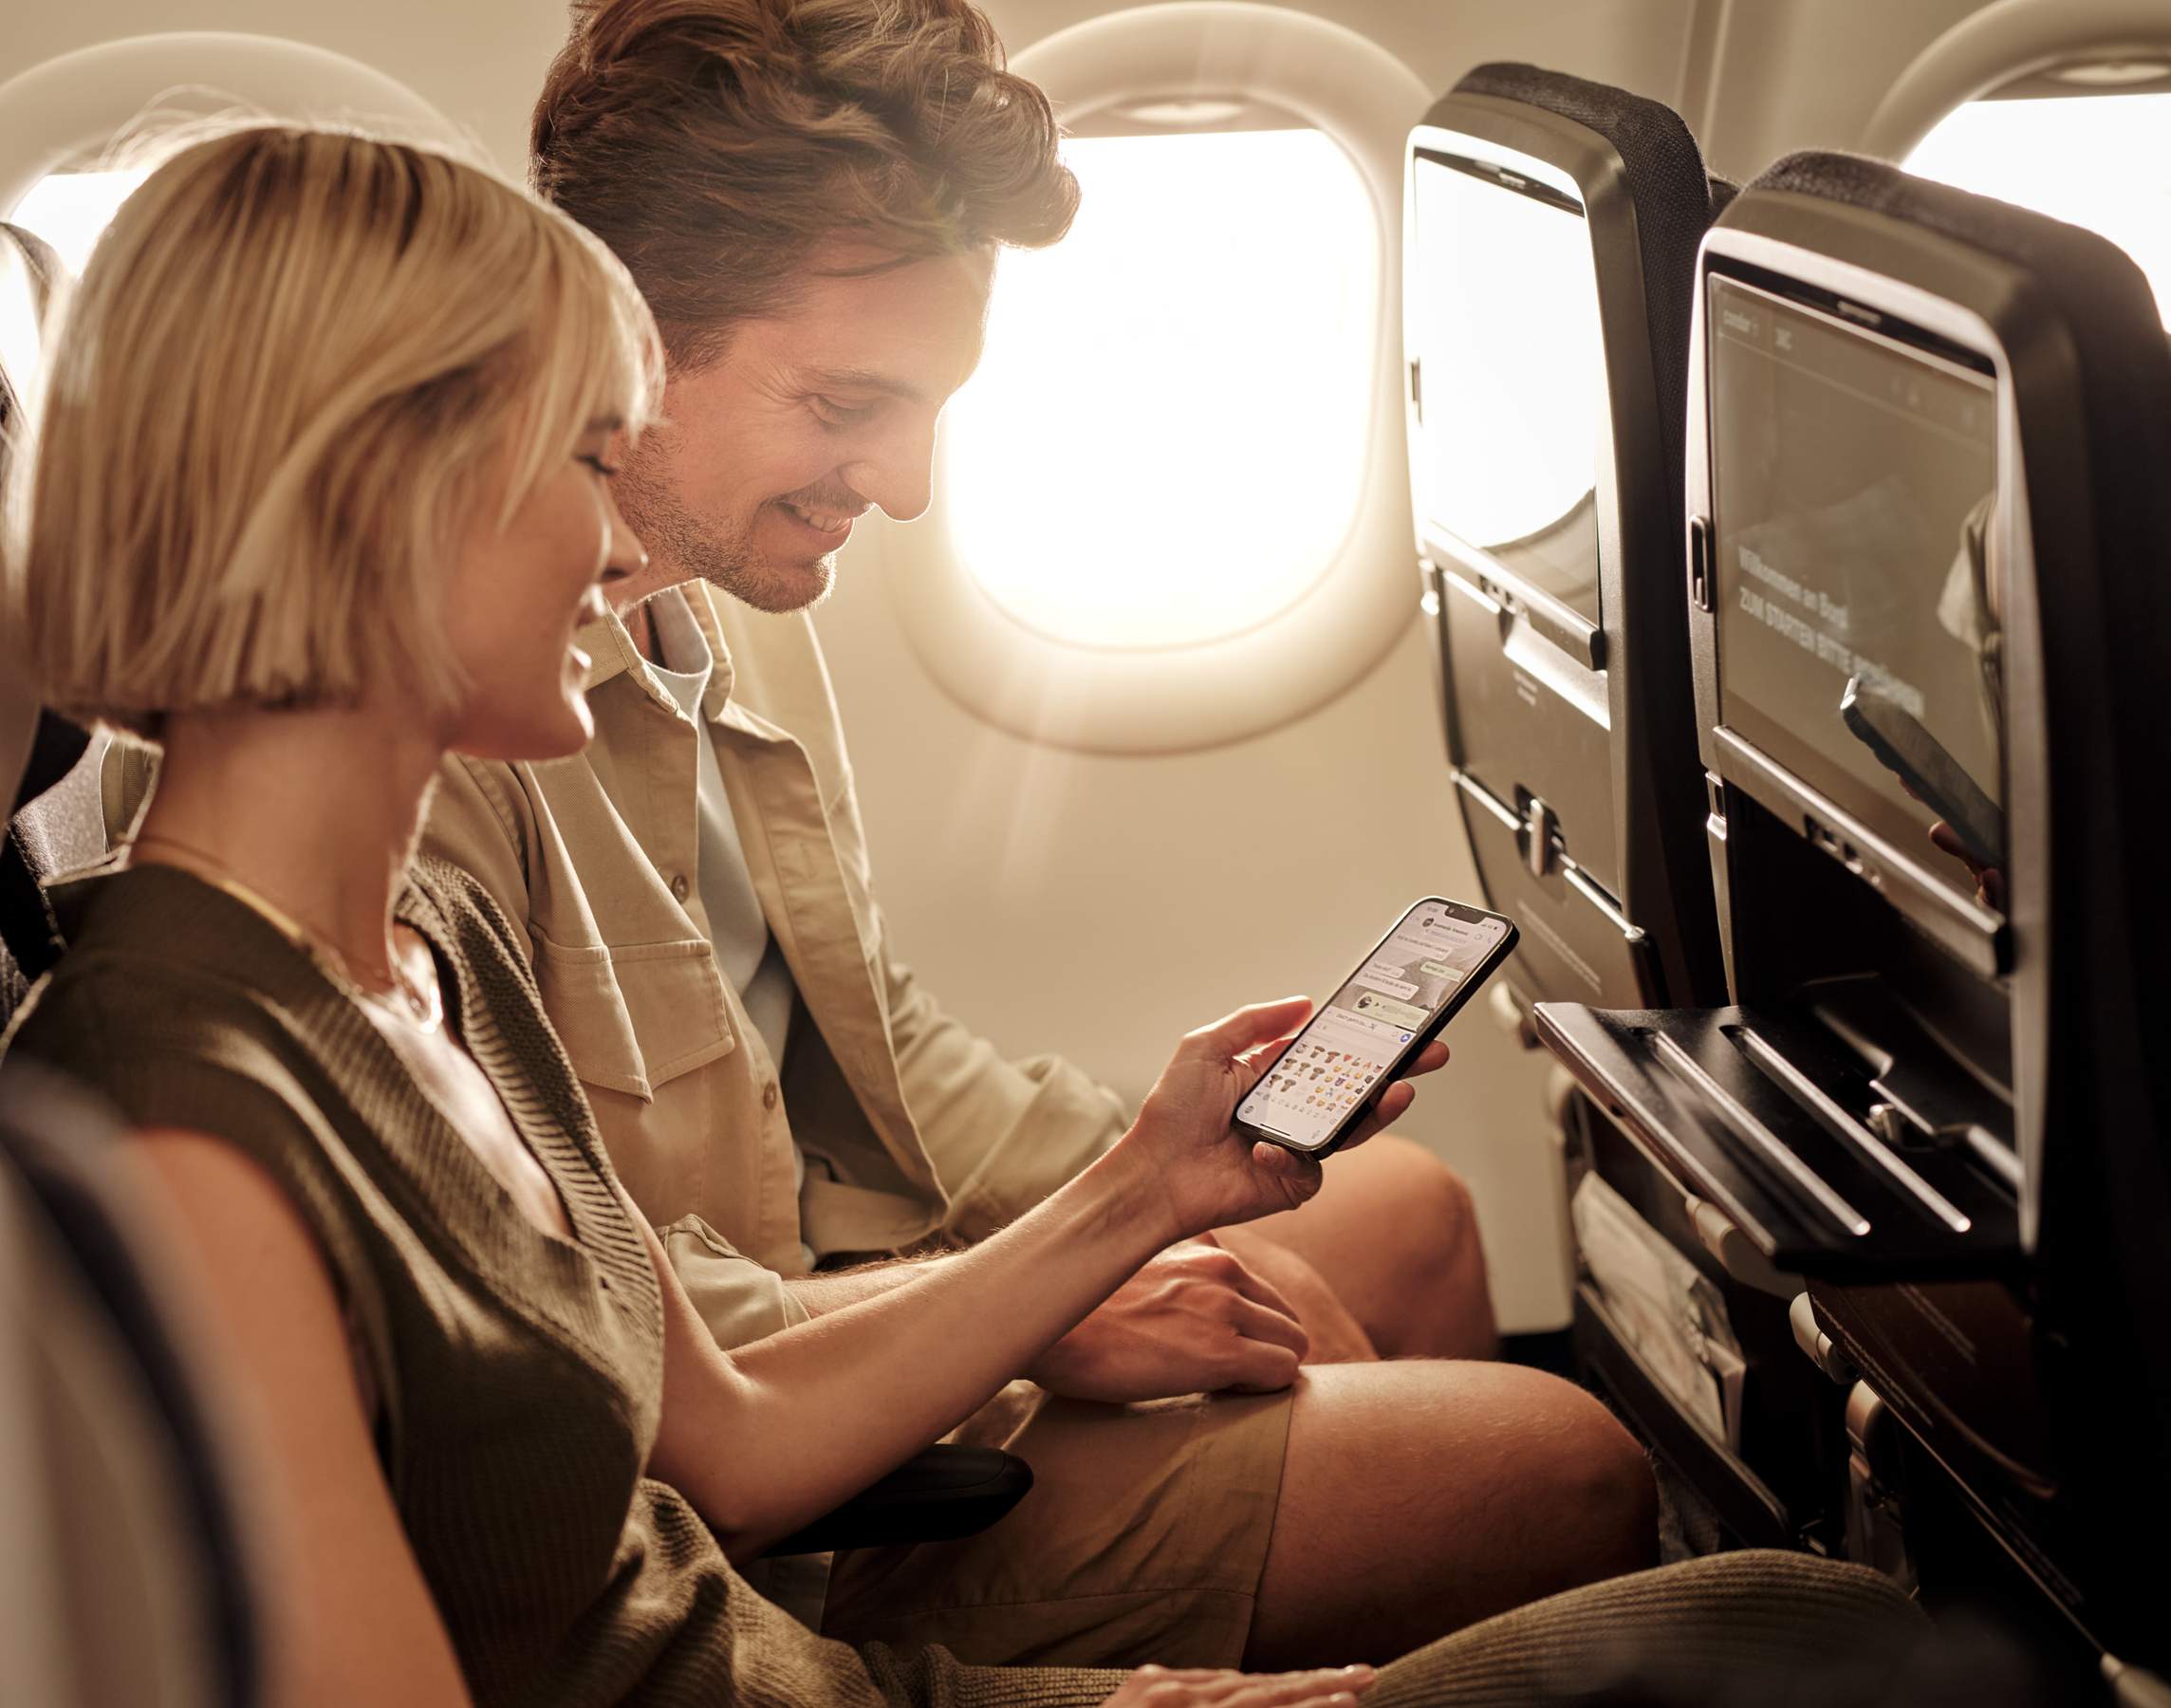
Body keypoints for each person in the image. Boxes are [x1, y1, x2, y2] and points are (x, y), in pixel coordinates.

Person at [406, 0, 1651, 1669]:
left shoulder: (732, 593)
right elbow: (604, 1351)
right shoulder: (436, 719)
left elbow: (873, 1040)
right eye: (850, 402)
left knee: (1405, 1212)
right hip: (779, 1487)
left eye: (929, 407)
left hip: (861, 1294)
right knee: (1555, 1468)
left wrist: (1178, 1167)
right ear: (611, 340)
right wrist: (1067, 1279)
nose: (904, 487)